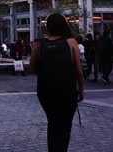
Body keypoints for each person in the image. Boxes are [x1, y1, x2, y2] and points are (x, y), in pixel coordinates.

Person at [30, 13, 84, 152]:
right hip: (67, 91)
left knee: (52, 122)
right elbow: (79, 71)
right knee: (65, 126)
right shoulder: (71, 42)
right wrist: (81, 91)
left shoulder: (38, 43)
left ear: (48, 26)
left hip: (46, 91)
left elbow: (32, 67)